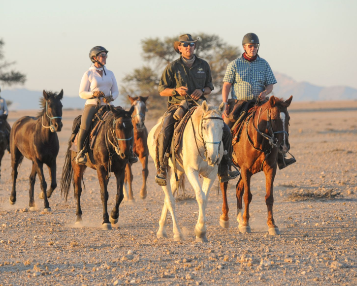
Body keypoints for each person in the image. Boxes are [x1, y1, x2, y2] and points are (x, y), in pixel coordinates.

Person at [155, 34, 239, 185]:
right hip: (178, 104)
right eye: (185, 45)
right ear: (179, 48)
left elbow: (209, 87)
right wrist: (175, 91)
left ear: (195, 47)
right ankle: (161, 167)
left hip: (200, 105)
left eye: (191, 44)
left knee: (225, 129)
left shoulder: (203, 65)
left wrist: (202, 90)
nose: (189, 47)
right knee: (166, 127)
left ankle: (225, 166)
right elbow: (162, 90)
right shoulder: (172, 67)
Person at [222, 32, 296, 169]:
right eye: (250, 46)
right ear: (244, 47)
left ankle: (281, 157)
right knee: (225, 127)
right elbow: (226, 85)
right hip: (240, 102)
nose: (253, 48)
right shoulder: (234, 64)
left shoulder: (264, 64)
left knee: (277, 122)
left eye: (255, 46)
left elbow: (270, 85)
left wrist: (266, 92)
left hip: (260, 102)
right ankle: (223, 163)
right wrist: (226, 103)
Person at [76, 46, 138, 165]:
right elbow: (81, 93)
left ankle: (130, 152)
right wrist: (93, 94)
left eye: (105, 56)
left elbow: (116, 91)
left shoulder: (110, 73)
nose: (105, 58)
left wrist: (110, 97)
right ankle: (80, 152)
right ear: (94, 58)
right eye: (102, 56)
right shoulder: (88, 73)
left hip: (108, 106)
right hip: (92, 105)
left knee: (126, 123)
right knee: (85, 125)